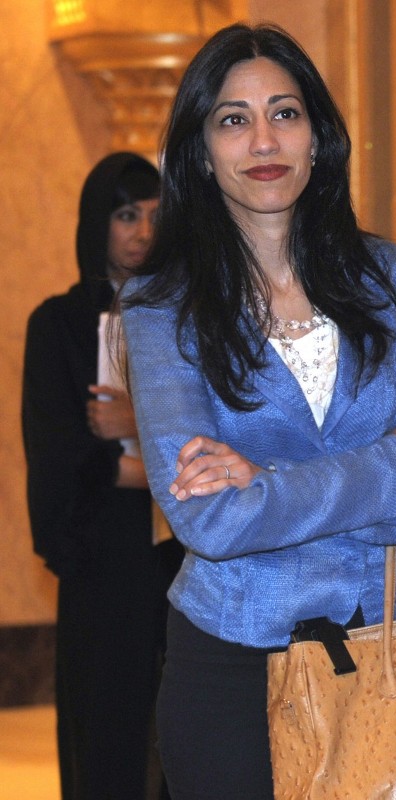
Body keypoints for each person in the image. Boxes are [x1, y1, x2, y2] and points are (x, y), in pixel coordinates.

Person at [119, 23, 396, 800]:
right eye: (232, 119)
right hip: (234, 670)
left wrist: (266, 479)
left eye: (284, 113)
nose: (262, 139)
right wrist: (395, 458)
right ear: (201, 151)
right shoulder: (160, 306)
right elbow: (209, 520)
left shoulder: (390, 276)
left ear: (319, 137)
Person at [22, 152, 183, 800]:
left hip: (187, 566)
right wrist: (163, 469)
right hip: (104, 566)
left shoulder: (189, 318)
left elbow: (227, 441)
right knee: (109, 744)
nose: (142, 230)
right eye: (125, 215)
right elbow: (63, 455)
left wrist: (134, 423)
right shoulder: (58, 324)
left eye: (153, 213)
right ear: (98, 224)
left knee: (182, 741)